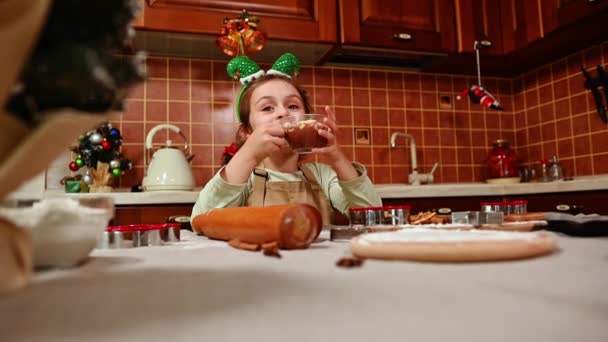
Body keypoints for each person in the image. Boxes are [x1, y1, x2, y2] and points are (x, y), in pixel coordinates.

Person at [190, 53, 382, 224]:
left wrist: (337, 158)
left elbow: (372, 217)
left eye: (293, 106)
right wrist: (247, 153)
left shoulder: (322, 176)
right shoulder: (244, 178)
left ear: (307, 119)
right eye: (267, 108)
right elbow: (201, 220)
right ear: (247, 131)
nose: (283, 113)